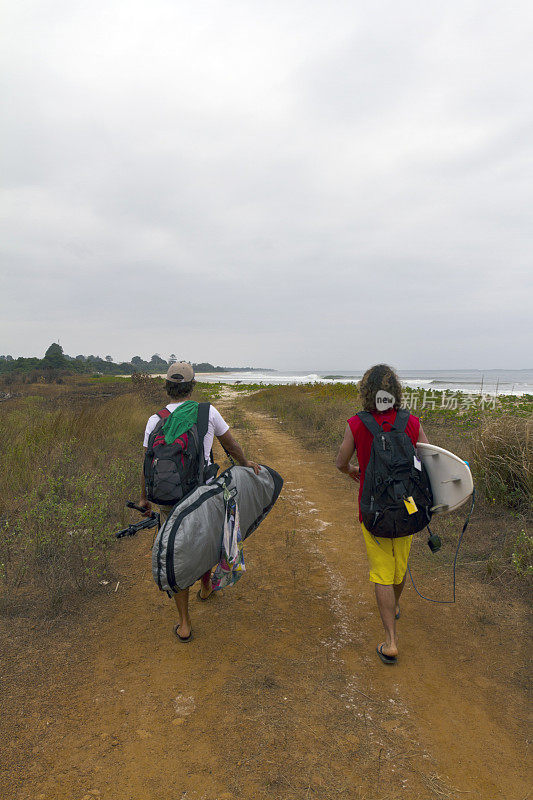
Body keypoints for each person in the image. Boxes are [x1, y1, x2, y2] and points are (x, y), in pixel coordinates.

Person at [139, 361, 260, 642]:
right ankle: (206, 587)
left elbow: (146, 464)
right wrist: (245, 463)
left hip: (169, 499)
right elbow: (231, 445)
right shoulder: (207, 412)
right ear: (192, 386)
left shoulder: (154, 420)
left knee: (175, 550)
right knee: (206, 541)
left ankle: (184, 623)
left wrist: (144, 498)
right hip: (202, 494)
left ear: (168, 387)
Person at [335, 364, 429, 664]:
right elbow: (429, 458)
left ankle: (390, 642)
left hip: (373, 512)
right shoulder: (411, 421)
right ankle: (395, 605)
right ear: (396, 391)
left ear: (367, 391)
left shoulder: (357, 423)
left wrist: (354, 471)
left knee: (381, 574)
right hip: (408, 508)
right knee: (398, 568)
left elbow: (340, 462)